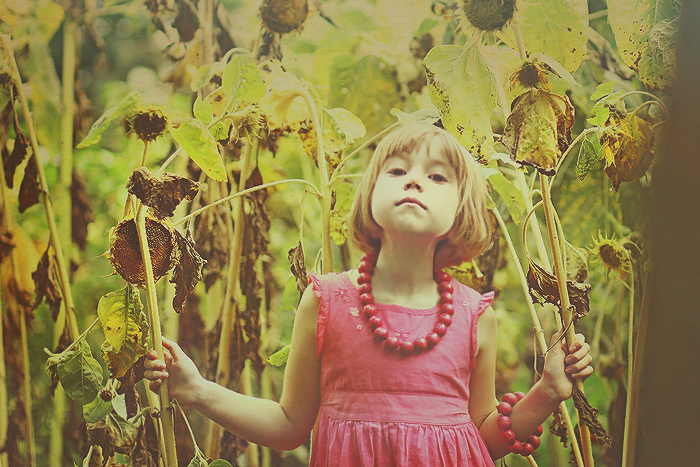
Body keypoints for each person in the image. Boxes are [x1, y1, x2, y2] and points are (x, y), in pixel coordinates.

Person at [144, 123, 593, 466]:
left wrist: (549, 392)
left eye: (437, 177)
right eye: (397, 171)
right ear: (371, 193)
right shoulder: (326, 302)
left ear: (461, 211)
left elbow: (484, 438)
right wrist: (197, 390)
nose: (414, 181)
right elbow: (287, 425)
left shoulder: (474, 317)